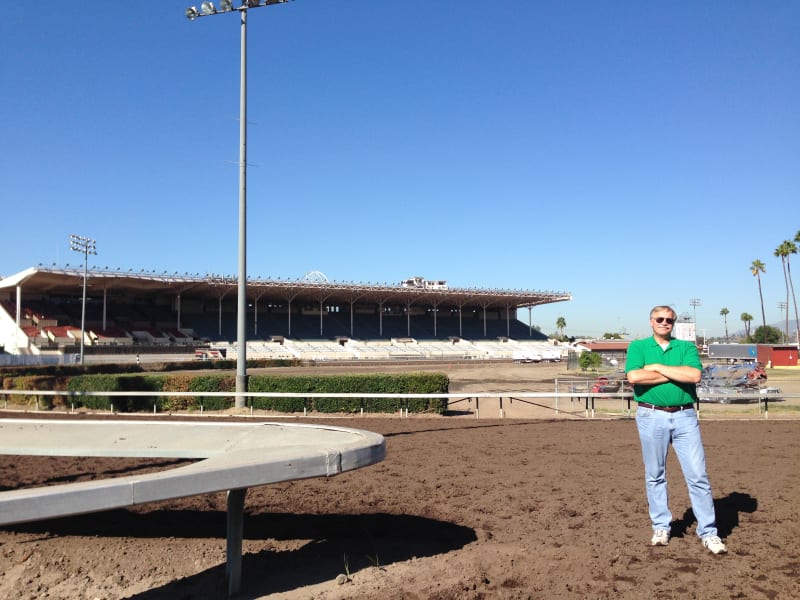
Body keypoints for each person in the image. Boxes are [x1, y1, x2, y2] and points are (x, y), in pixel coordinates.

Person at [625, 305, 727, 554]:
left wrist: (656, 368)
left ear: (673, 323)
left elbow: (693, 376)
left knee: (698, 475)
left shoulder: (686, 347)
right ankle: (661, 526)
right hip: (651, 415)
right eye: (659, 319)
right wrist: (675, 373)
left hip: (684, 416)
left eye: (669, 320)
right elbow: (634, 377)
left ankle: (709, 532)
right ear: (651, 321)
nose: (664, 323)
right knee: (655, 474)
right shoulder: (638, 347)